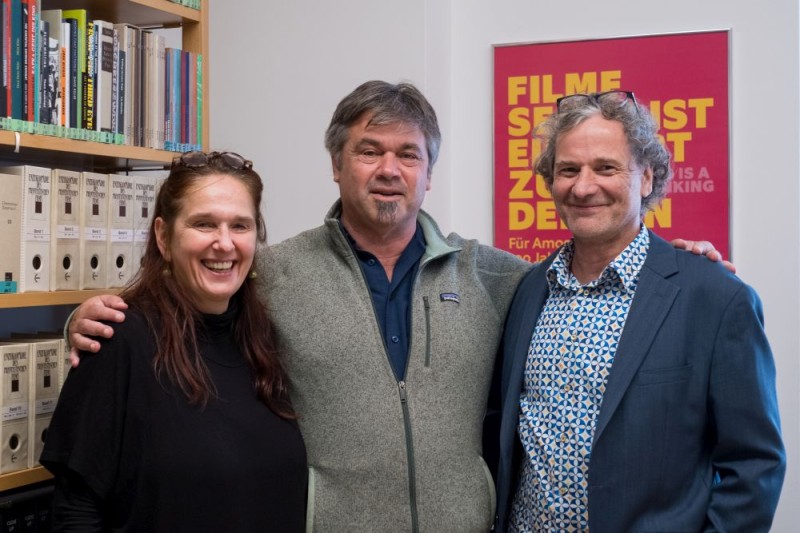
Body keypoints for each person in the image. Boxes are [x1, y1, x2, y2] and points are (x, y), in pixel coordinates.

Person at [66, 82, 731, 532]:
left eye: (407, 153)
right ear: (336, 163)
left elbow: (589, 274)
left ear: (429, 171)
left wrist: (676, 260)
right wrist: (91, 314)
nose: (389, 168)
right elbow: (195, 284)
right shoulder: (273, 273)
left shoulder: (501, 276)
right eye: (369, 150)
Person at [489, 91, 786, 533]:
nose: (584, 186)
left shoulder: (714, 298)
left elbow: (754, 465)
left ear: (646, 178)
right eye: (568, 169)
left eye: (606, 167)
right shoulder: (529, 289)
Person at [41, 151, 307, 531]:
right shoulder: (120, 341)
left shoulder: (268, 341)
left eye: (240, 226)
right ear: (164, 237)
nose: (225, 243)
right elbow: (76, 513)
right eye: (204, 224)